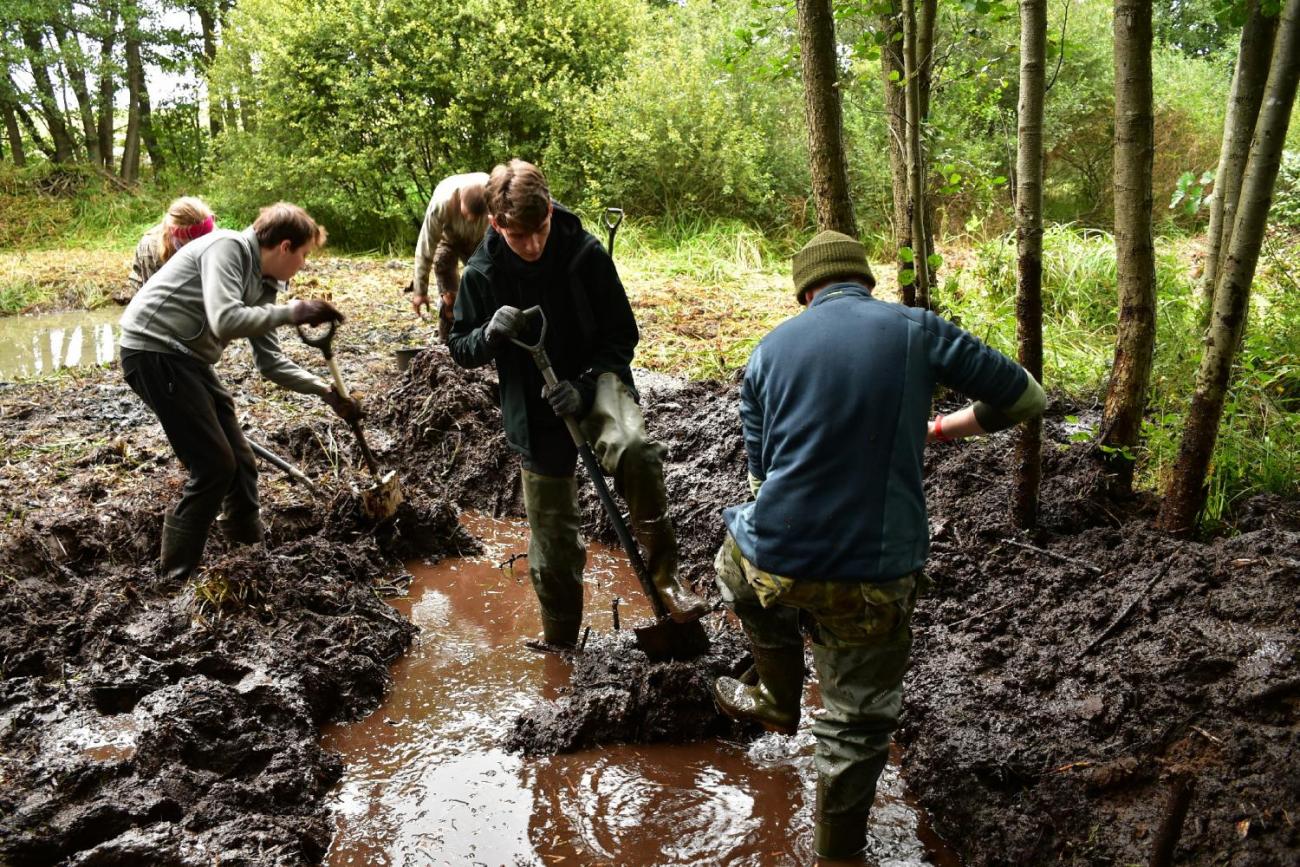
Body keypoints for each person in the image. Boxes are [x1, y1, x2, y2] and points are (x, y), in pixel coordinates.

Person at [710, 230, 1047, 861]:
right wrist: (943, 428)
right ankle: (836, 856)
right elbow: (1026, 396)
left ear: (805, 293)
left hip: (774, 556)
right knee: (854, 724)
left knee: (735, 571)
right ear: (866, 283)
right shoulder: (916, 328)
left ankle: (777, 697)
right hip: (872, 571)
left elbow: (758, 480)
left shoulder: (767, 351)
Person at [447, 159, 707, 651]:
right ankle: (560, 639)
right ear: (495, 224)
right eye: (518, 237)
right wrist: (488, 333)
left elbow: (621, 335)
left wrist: (586, 386)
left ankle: (668, 583)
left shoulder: (583, 252)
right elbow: (460, 347)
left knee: (635, 451)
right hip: (531, 399)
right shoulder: (482, 272)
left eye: (540, 230)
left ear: (549, 210)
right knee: (552, 535)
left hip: (597, 378)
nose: (533, 245)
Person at [118, 202, 360, 583]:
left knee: (242, 464)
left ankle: (249, 558)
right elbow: (225, 318)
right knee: (213, 465)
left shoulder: (263, 284)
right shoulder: (226, 248)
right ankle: (174, 576)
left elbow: (271, 363)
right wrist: (293, 312)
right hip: (152, 350)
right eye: (303, 255)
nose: (303, 265)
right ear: (284, 247)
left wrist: (327, 393)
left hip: (188, 359)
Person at [409, 171, 490, 342]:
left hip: (481, 241)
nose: (470, 222)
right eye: (467, 216)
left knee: (484, 285)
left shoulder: (495, 195)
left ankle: (484, 336)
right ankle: (448, 340)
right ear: (459, 200)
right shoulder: (442, 202)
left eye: (476, 219)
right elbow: (426, 246)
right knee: (447, 283)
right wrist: (420, 290)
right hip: (449, 238)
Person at [128, 196, 217, 295]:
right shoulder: (151, 246)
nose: (203, 243)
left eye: (205, 237)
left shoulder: (212, 233)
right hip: (150, 289)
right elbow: (154, 297)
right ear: (178, 237)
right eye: (196, 240)